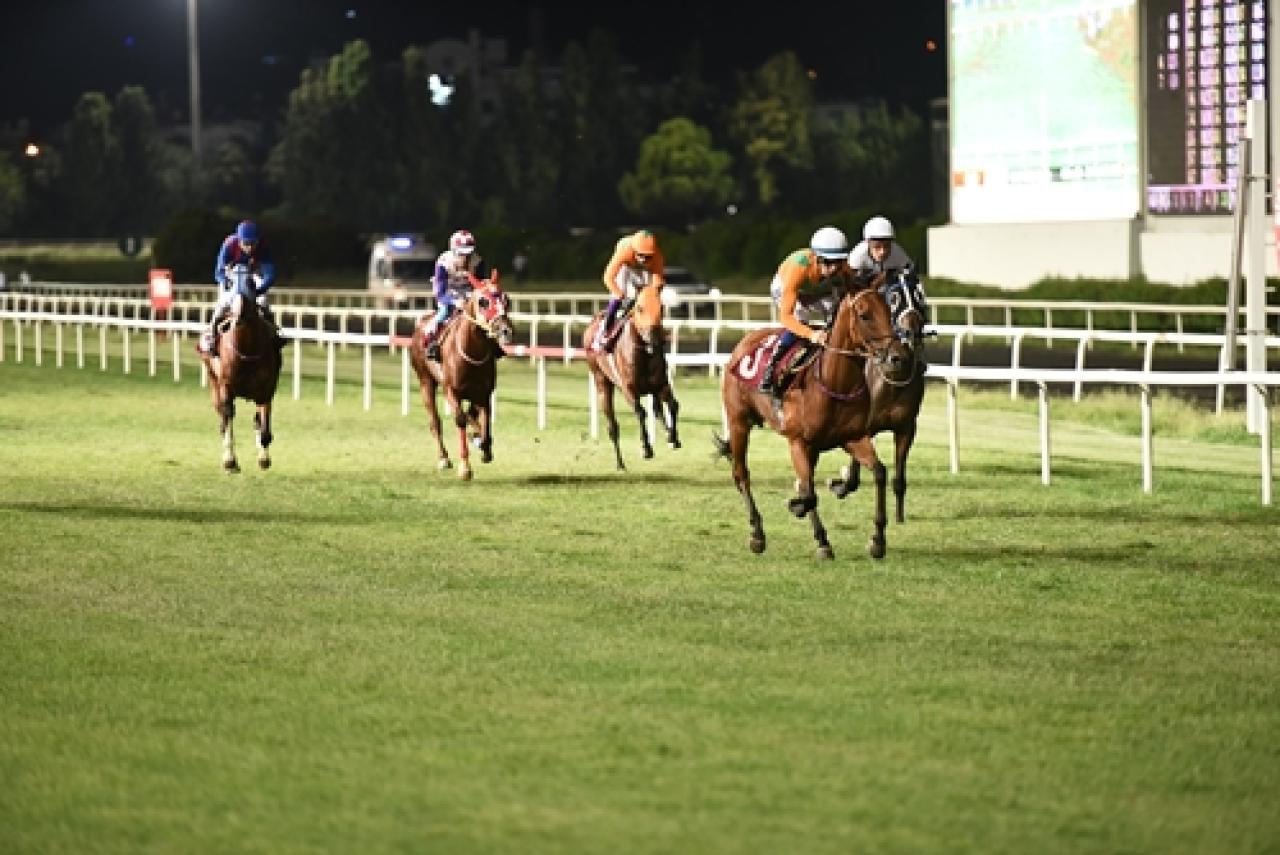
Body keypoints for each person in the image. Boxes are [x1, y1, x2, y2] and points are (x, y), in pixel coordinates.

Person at [758, 225, 860, 397]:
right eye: (828, 262)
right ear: (816, 258)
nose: (834, 269)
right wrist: (812, 334)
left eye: (838, 262)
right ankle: (771, 368)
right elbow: (785, 317)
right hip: (785, 288)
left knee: (839, 307)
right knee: (800, 318)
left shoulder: (842, 267)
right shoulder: (798, 269)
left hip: (812, 290)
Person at [199, 219, 278, 356]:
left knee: (264, 302)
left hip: (252, 275)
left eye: (253, 243)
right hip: (231, 276)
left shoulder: (263, 246)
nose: (250, 248)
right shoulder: (229, 244)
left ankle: (274, 335)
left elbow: (270, 274)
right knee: (222, 303)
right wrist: (225, 281)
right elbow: (219, 271)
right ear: (239, 240)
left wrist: (260, 290)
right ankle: (212, 333)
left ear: (258, 241)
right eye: (246, 244)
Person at [593, 229, 665, 352]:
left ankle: (656, 330)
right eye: (640, 255)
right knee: (617, 297)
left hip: (643, 270)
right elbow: (608, 277)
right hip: (625, 266)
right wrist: (620, 294)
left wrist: (649, 296)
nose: (643, 259)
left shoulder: (657, 257)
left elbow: (657, 283)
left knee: (651, 301)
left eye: (648, 257)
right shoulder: (625, 251)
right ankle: (603, 333)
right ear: (634, 250)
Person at [423, 229, 489, 361]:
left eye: (468, 254)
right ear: (453, 251)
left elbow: (480, 284)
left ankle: (493, 345)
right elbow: (440, 292)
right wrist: (454, 301)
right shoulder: (443, 262)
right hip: (448, 291)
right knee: (444, 312)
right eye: (461, 254)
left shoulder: (477, 261)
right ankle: (431, 342)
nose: (465, 258)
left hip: (469, 292)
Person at [847, 215, 915, 285]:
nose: (882, 252)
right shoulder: (857, 257)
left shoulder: (898, 253)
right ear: (868, 243)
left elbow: (910, 274)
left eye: (887, 246)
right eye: (877, 247)